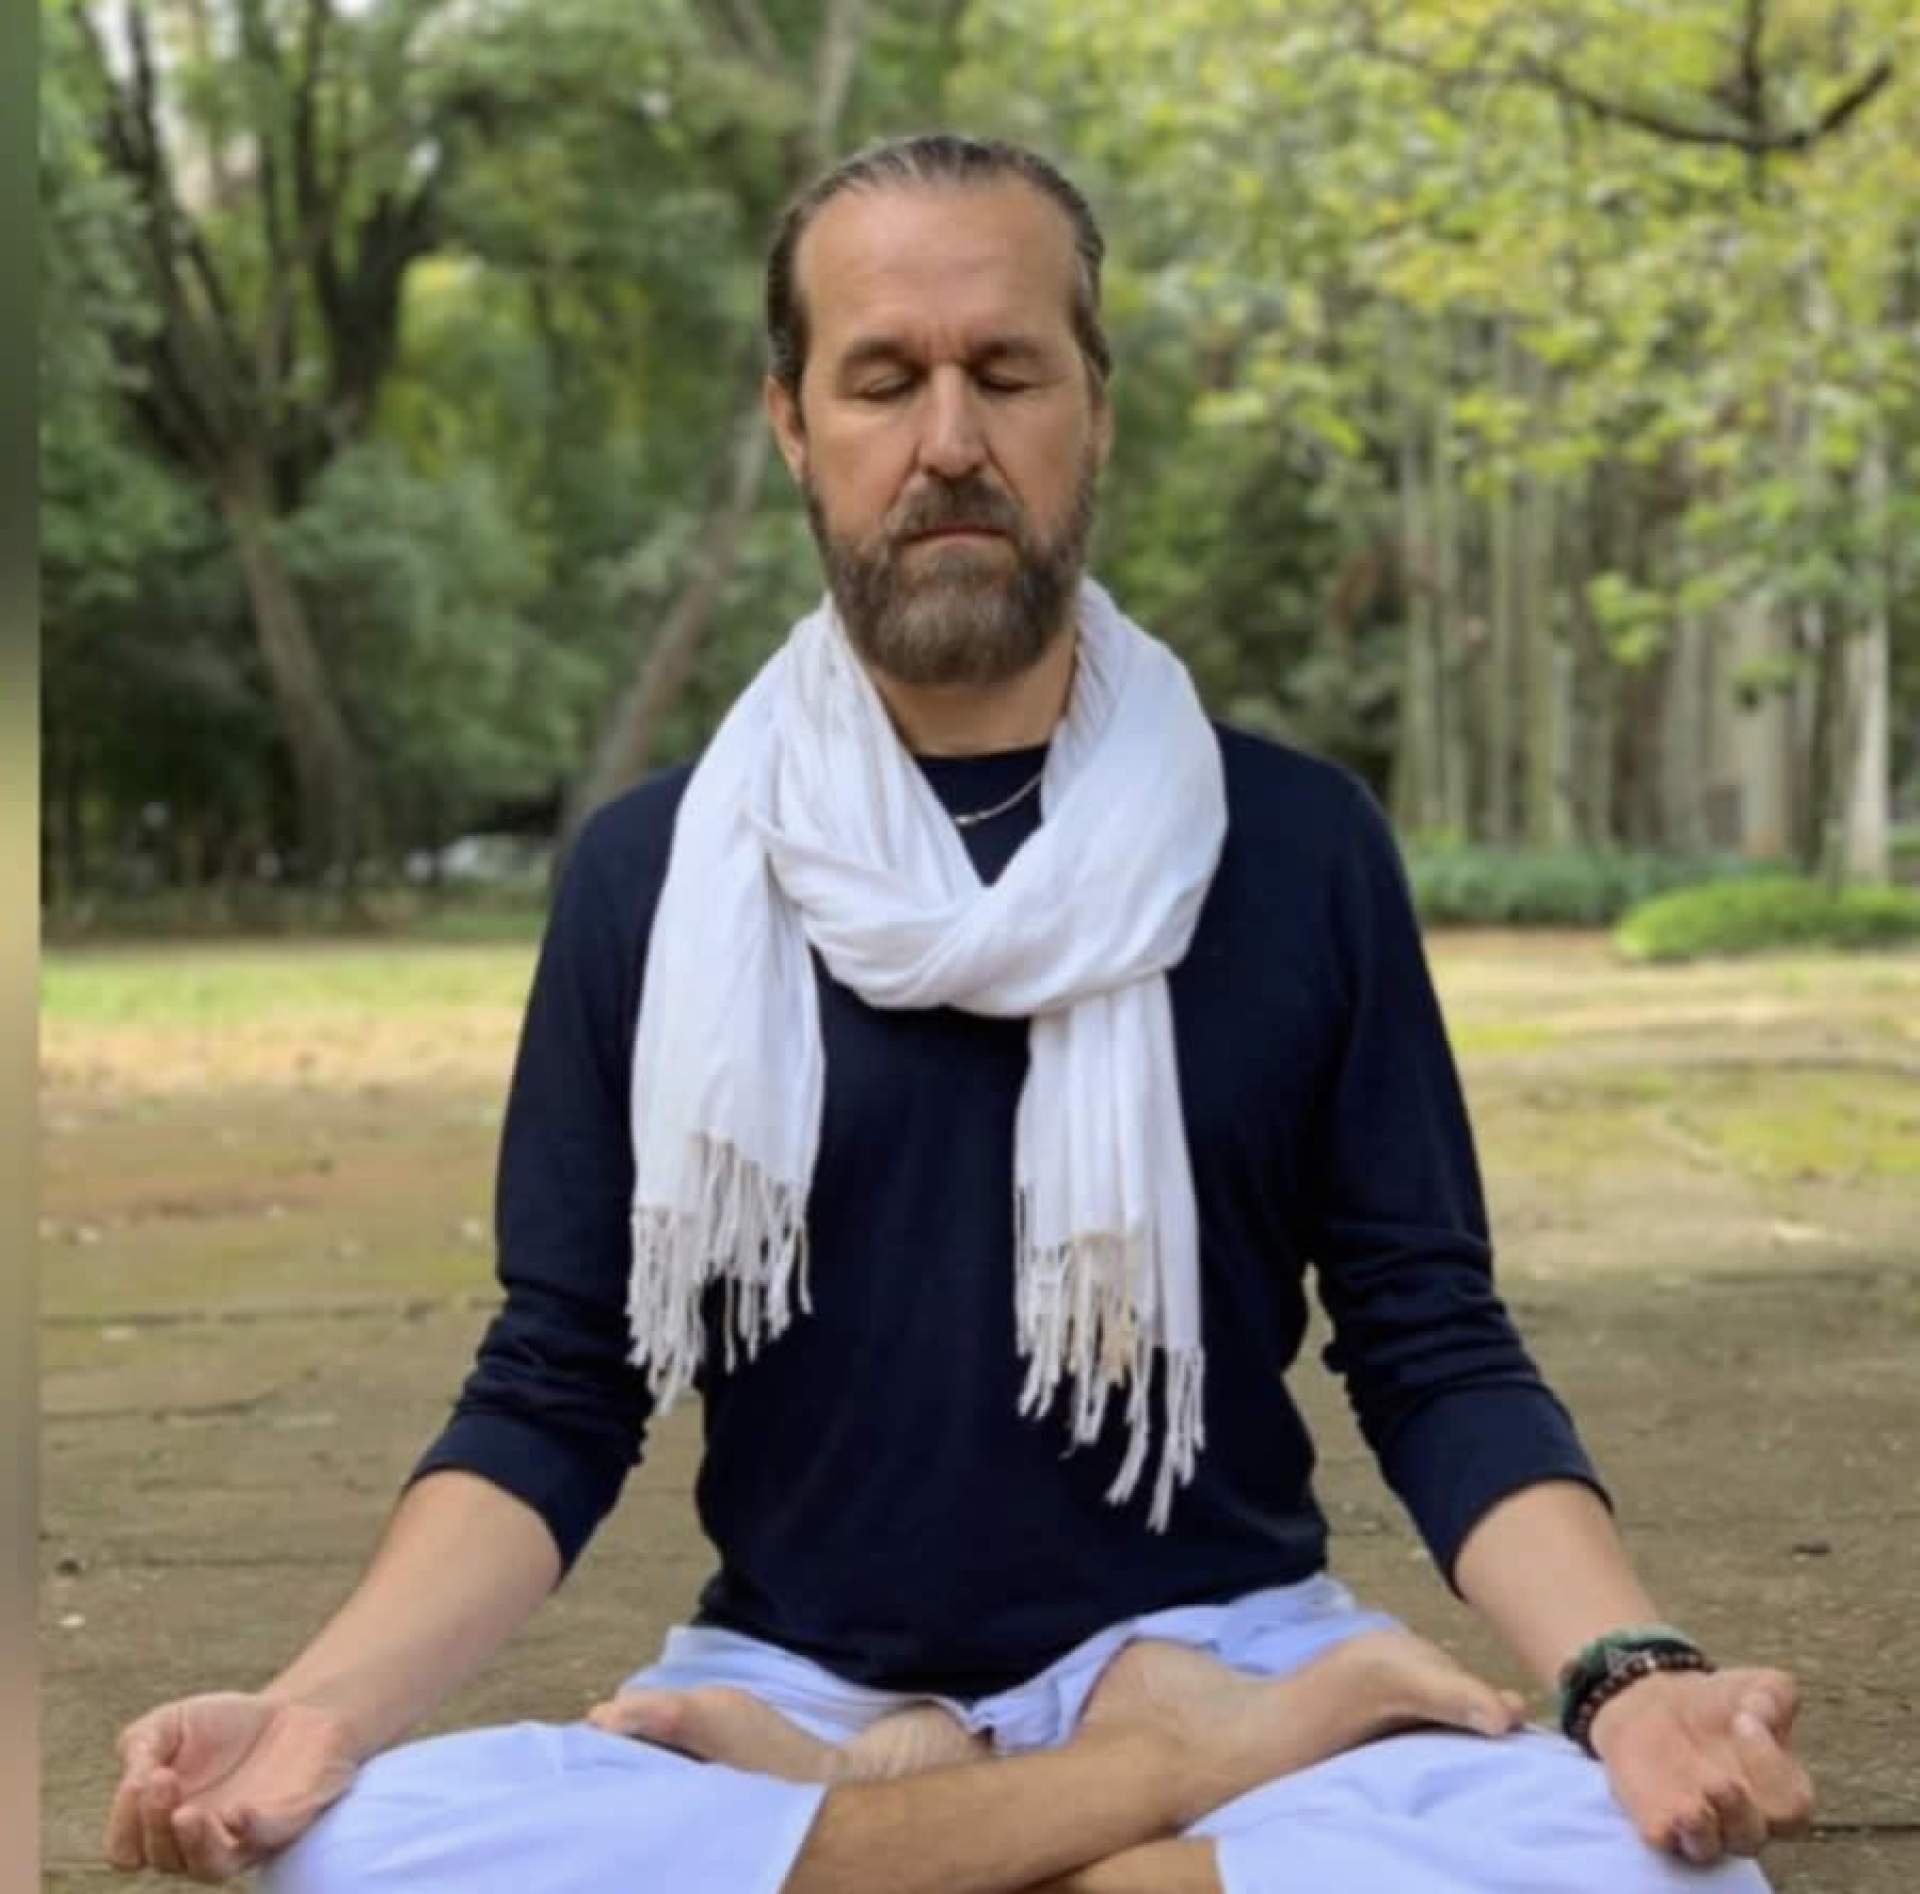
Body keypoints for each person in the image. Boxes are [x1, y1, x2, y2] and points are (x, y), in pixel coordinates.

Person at [103, 134, 1814, 1894]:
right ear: (793, 424)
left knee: (1665, 1873)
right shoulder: (654, 872)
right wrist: (308, 1711)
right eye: (883, 381)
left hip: (1226, 1638)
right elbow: (560, 1382)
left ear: (1095, 408)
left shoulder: (1296, 846)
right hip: (806, 1680)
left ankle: (936, 1824)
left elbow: (1431, 1340)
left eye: (1006, 372)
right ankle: (1142, 1792)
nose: (948, 439)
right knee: (339, 1856)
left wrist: (1631, 1680)